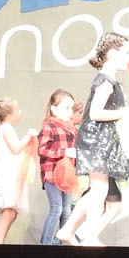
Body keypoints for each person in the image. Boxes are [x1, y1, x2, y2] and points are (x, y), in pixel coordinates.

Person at [56, 33, 129, 247]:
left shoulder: (110, 81)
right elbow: (95, 113)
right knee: (99, 187)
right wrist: (126, 112)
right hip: (95, 140)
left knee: (103, 190)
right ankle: (91, 236)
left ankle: (68, 230)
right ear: (112, 53)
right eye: (126, 53)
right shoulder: (105, 81)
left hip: (102, 139)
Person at [0, 98, 36, 245]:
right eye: (17, 110)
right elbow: (16, 149)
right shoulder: (6, 129)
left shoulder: (5, 128)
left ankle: (0, 243)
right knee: (9, 211)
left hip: (10, 172)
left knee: (12, 212)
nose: (20, 112)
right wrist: (29, 136)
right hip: (6, 174)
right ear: (9, 115)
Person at [37, 89, 79, 245]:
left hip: (67, 175)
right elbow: (42, 150)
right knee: (57, 209)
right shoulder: (49, 127)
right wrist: (63, 152)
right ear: (54, 109)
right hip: (52, 174)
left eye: (71, 108)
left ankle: (62, 242)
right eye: (66, 108)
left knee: (66, 211)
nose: (70, 112)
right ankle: (45, 243)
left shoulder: (72, 129)